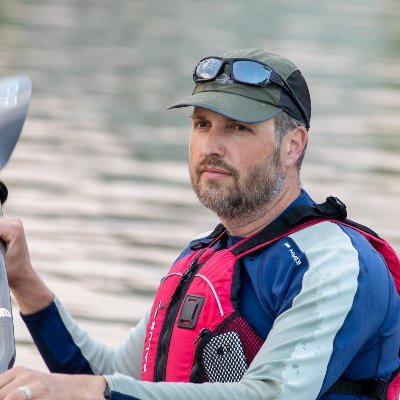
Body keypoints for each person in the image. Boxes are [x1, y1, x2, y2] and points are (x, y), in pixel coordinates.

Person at [0, 48, 399, 400]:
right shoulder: (202, 258)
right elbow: (104, 378)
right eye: (202, 124)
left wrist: (95, 391)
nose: (211, 146)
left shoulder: (335, 263)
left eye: (238, 128)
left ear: (292, 145)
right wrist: (24, 282)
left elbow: (270, 395)